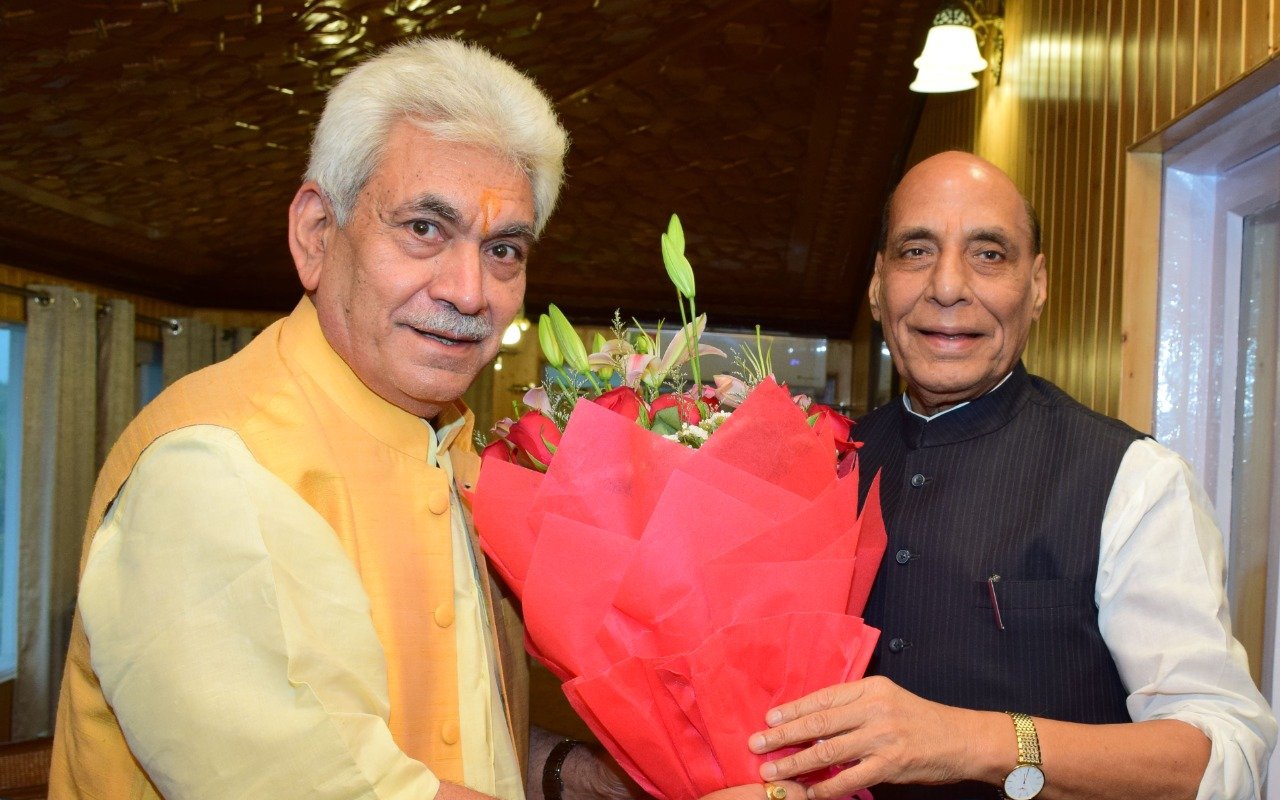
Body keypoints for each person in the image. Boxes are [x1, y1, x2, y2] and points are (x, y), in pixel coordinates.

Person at [49, 37, 632, 800]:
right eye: (424, 228)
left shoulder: (456, 452)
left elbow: (431, 733)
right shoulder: (212, 471)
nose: (469, 292)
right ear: (317, 234)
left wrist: (571, 772)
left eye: (503, 249)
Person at [742, 152, 1276, 799]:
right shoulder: (818, 465)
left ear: (1038, 285)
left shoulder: (1133, 479)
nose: (947, 286)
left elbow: (1226, 759)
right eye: (916, 251)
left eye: (989, 254)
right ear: (879, 283)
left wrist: (973, 742)